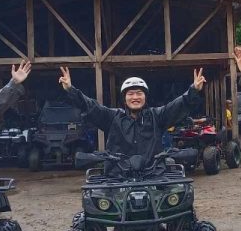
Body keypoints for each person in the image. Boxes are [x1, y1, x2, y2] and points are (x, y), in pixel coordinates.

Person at [57, 67, 206, 162]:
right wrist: (71, 89)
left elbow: (179, 105)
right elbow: (90, 107)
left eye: (139, 93)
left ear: (145, 97)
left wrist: (193, 90)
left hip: (153, 175)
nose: (135, 97)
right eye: (131, 94)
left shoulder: (157, 116)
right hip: (118, 177)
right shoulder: (112, 117)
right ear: (124, 98)